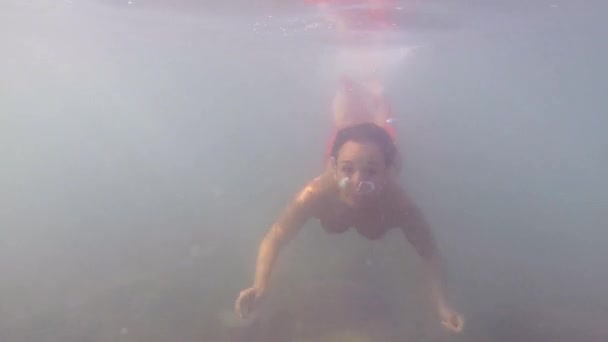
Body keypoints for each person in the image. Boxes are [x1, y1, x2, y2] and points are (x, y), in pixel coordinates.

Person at [235, 90, 464, 333]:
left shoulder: (399, 205)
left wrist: (443, 307)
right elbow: (276, 237)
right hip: (349, 153)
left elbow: (429, 253)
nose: (357, 182)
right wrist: (260, 285)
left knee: (384, 127)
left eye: (371, 172)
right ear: (334, 168)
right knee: (344, 124)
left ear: (387, 173)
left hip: (382, 155)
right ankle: (345, 84)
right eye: (347, 170)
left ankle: (378, 93)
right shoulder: (316, 193)